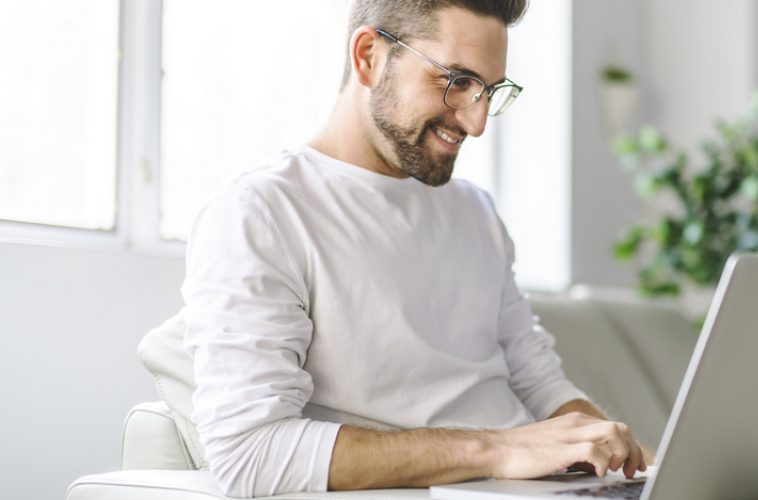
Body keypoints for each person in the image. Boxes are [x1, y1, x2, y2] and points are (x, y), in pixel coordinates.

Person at [181, 1, 652, 498]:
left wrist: (642, 467)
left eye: (489, 92)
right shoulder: (261, 214)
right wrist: (498, 449)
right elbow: (249, 452)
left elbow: (540, 382)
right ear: (368, 56)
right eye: (455, 82)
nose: (476, 123)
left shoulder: (475, 212)